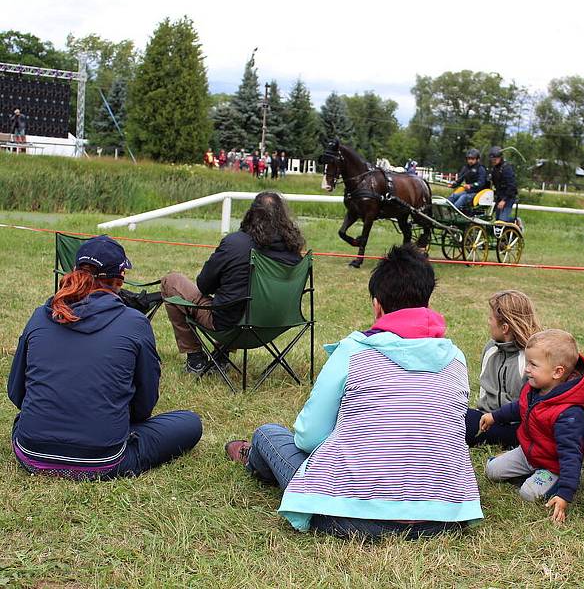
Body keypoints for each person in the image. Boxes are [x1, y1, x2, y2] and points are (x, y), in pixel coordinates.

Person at [224, 244, 483, 539]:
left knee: (268, 434)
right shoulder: (456, 358)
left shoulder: (353, 351)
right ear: (427, 300)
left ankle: (254, 459)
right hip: (445, 516)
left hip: (349, 515)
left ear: (377, 305)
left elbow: (309, 437)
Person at [7, 236, 202, 479]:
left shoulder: (40, 316)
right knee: (190, 423)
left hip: (31, 452)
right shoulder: (135, 324)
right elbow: (144, 406)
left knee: (26, 419)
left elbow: (16, 393)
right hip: (104, 460)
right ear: (119, 279)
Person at [161, 192, 304, 374]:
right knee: (238, 299)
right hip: (275, 325)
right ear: (283, 216)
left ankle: (195, 358)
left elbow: (204, 286)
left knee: (171, 281)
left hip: (231, 327)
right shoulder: (294, 251)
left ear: (251, 214)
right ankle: (221, 357)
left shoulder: (235, 243)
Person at [480, 330, 584, 523]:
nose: (527, 369)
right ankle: (528, 472)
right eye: (528, 363)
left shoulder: (569, 413)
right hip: (528, 453)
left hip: (552, 465)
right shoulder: (534, 387)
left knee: (528, 494)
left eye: (533, 365)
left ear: (557, 372)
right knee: (491, 471)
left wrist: (565, 494)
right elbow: (518, 407)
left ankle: (552, 481)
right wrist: (494, 416)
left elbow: (571, 453)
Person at [465, 290, 541, 447]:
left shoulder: (531, 358)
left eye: (491, 318)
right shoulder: (490, 349)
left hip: (518, 425)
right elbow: (484, 392)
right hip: (487, 419)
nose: (488, 322)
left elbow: (533, 406)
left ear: (505, 327)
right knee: (453, 416)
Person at [488, 146, 518, 222]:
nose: (494, 161)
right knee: (497, 219)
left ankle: (515, 221)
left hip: (508, 197)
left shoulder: (507, 168)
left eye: (495, 159)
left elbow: (512, 186)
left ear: (500, 157)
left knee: (502, 221)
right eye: (492, 159)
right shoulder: (494, 169)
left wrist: (504, 200)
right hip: (499, 196)